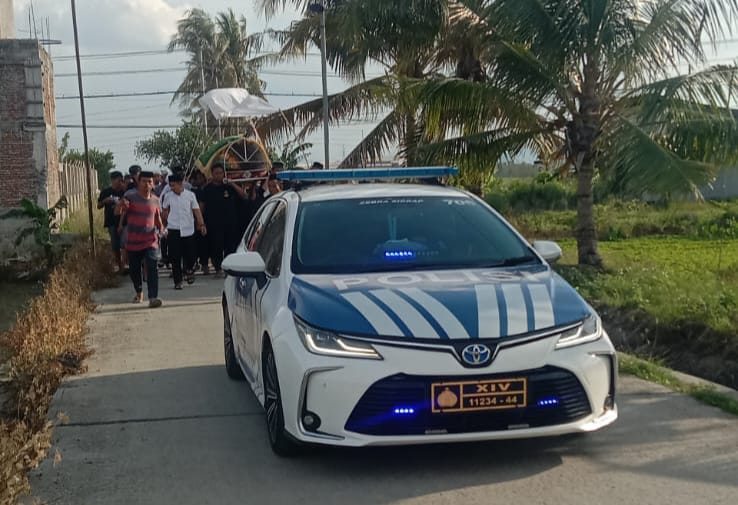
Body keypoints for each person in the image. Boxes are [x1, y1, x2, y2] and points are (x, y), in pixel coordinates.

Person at [118, 171, 165, 308]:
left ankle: (153, 297)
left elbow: (157, 218)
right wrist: (121, 205)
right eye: (144, 181)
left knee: (152, 266)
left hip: (150, 240)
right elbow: (118, 211)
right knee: (134, 270)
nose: (147, 184)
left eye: (150, 182)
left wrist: (161, 229)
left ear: (153, 184)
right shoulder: (130, 197)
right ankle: (139, 291)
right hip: (133, 241)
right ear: (138, 182)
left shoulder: (155, 200)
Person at [199, 162, 244, 276]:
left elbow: (243, 195)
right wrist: (200, 222)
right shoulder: (207, 189)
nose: (219, 175)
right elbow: (202, 206)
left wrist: (232, 184)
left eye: (220, 173)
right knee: (216, 246)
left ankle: (228, 268)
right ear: (212, 174)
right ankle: (218, 268)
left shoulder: (229, 187)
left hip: (230, 222)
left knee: (230, 246)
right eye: (216, 173)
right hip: (214, 223)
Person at [162, 174, 206, 289]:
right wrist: (163, 225)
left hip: (188, 229)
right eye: (170, 186)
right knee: (175, 256)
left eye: (173, 185)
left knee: (191, 255)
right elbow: (164, 211)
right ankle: (178, 281)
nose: (172, 188)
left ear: (180, 184)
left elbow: (196, 211)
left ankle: (189, 270)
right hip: (173, 229)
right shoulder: (168, 196)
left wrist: (201, 224)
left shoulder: (190, 195)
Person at [97, 171, 127, 273]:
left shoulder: (124, 192)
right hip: (111, 222)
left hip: (124, 222)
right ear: (113, 180)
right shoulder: (106, 192)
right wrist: (105, 201)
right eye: (118, 180)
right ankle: (119, 264)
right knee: (115, 244)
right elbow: (98, 206)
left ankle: (124, 264)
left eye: (121, 180)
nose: (120, 183)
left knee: (124, 243)